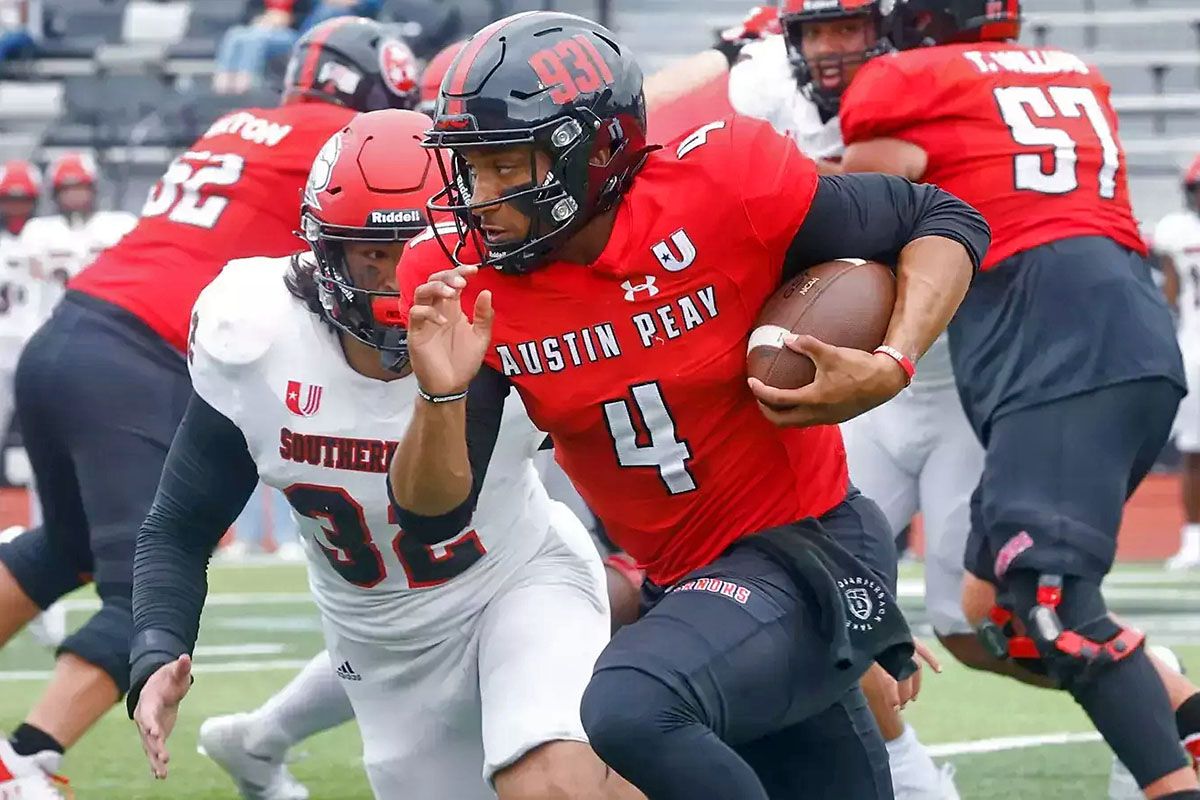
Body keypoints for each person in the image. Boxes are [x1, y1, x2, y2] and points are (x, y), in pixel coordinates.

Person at [394, 10, 990, 799]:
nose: (482, 197)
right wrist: (440, 394)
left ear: (598, 151)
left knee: (634, 705)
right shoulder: (460, 280)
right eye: (470, 168)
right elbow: (434, 517)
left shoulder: (722, 185)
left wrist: (891, 361)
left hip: (808, 545)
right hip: (689, 582)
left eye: (508, 166)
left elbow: (942, 217)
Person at [128, 108, 639, 800]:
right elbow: (179, 526)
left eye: (427, 247)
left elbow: (622, 452)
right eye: (375, 254)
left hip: (517, 582)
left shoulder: (511, 316)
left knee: (555, 784)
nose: (404, 279)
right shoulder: (258, 339)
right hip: (381, 643)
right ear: (327, 253)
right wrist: (157, 649)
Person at [0, 18, 412, 798]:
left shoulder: (236, 125)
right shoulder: (349, 139)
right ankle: (23, 761)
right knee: (146, 588)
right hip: (139, 354)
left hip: (71, 329)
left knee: (65, 546)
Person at [838, 1, 1200, 797]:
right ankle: (1172, 712)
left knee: (1053, 609)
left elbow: (863, 180)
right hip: (1110, 325)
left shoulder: (906, 81)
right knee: (982, 610)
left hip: (1057, 343)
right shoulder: (1072, 71)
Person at [19, 153, 136, 318]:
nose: (73, 195)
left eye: (80, 188)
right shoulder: (38, 230)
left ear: (93, 189)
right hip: (56, 319)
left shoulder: (120, 224)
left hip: (107, 317)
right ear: (55, 193)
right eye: (66, 189)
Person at [1154, 154, 1200, 571]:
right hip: (1195, 346)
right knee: (1194, 451)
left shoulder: (1178, 230)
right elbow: (1170, 293)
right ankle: (1194, 537)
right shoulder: (1176, 231)